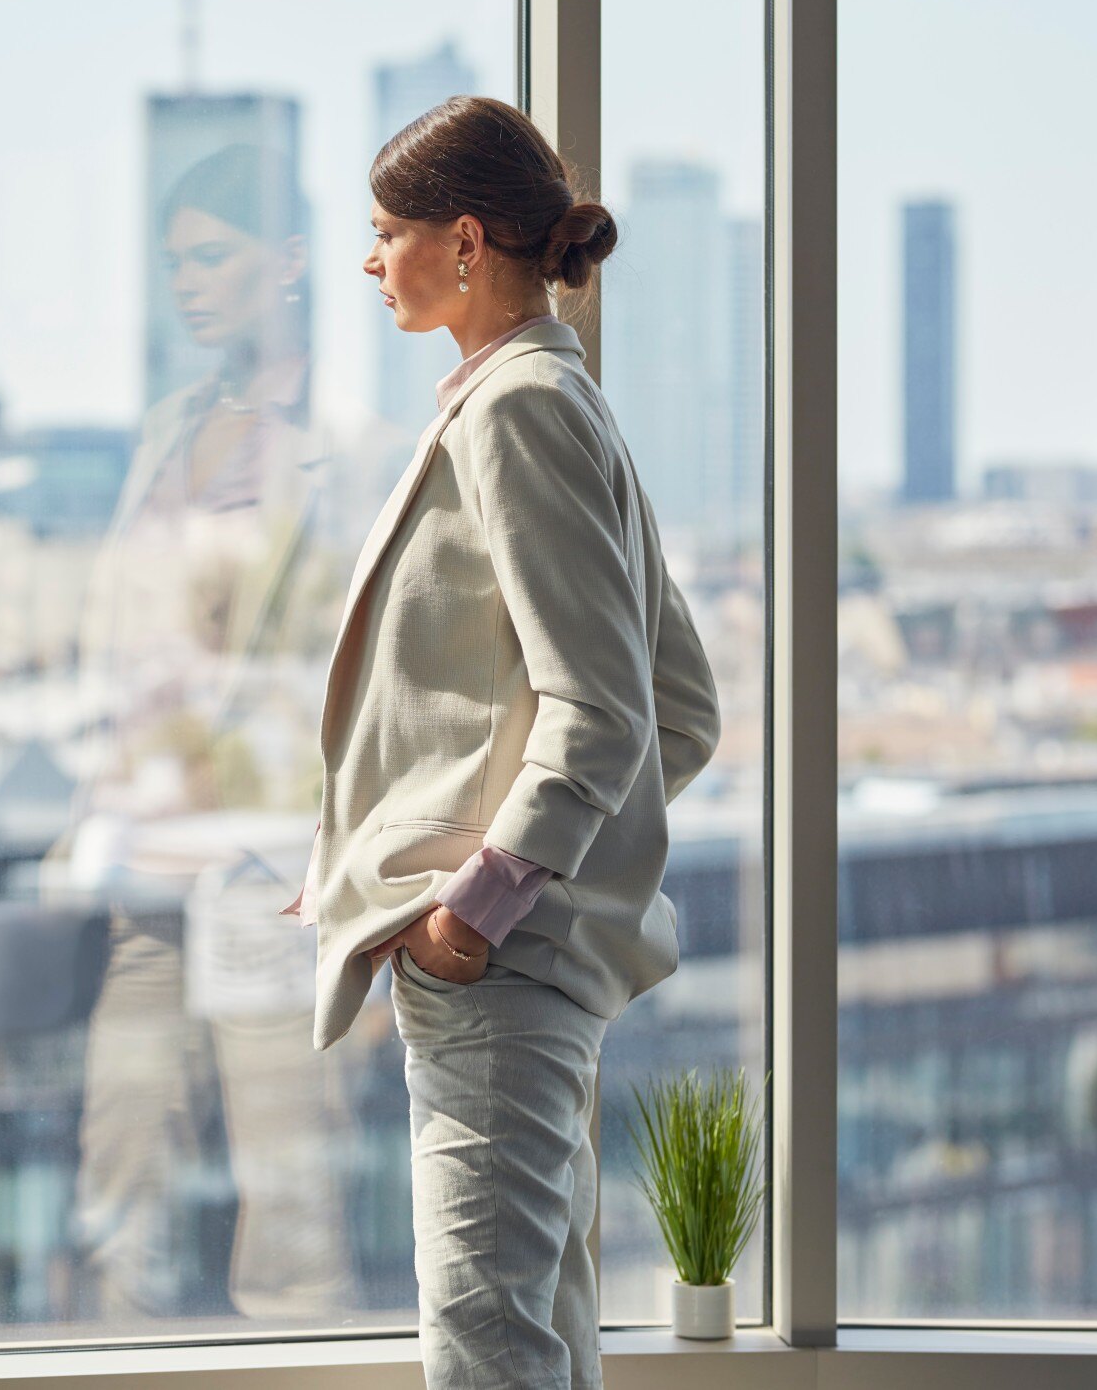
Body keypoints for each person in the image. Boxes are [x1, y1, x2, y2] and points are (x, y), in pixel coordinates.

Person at [306, 94, 724, 1389]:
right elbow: (679, 711)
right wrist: (555, 868)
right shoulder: (555, 396)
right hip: (528, 968)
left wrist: (479, 908)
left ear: (466, 239)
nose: (370, 262)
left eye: (388, 232)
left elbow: (606, 715)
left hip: (497, 970)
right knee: (534, 1343)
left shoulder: (517, 413)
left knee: (486, 1355)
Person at [46, 141, 357, 1321]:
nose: (185, 283)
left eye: (210, 257)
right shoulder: (173, 424)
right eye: (172, 261)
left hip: (260, 866)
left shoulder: (340, 441)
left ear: (283, 263)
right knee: (120, 1170)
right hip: (139, 859)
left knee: (286, 1190)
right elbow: (119, 630)